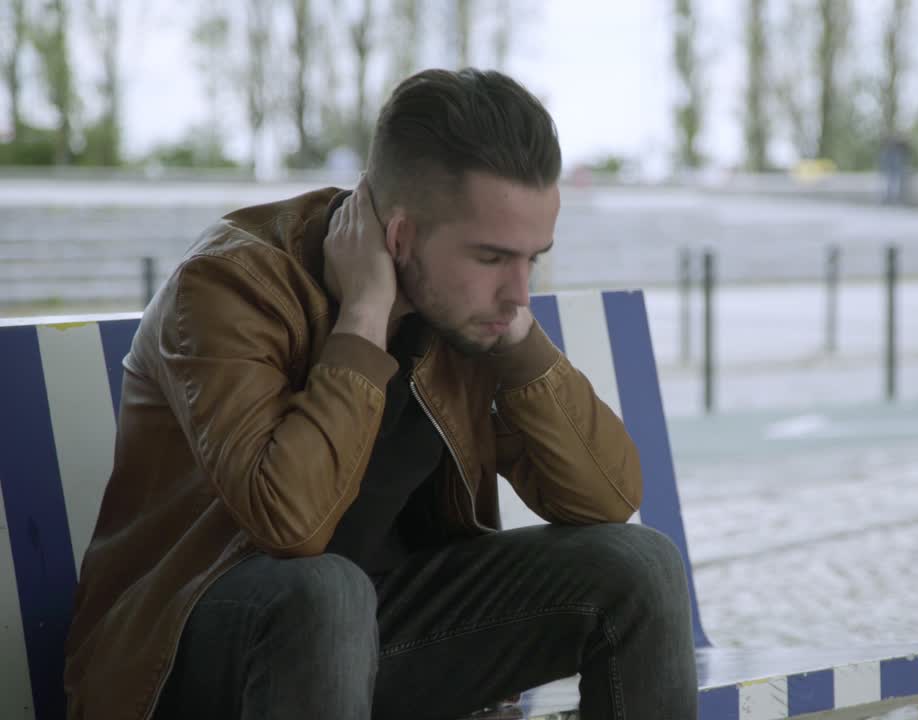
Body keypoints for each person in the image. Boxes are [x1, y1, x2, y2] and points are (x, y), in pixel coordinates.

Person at [64, 68, 698, 720]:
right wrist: (363, 319)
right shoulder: (232, 285)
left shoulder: (473, 317)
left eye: (530, 258)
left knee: (641, 566)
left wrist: (521, 342)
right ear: (399, 238)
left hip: (374, 637)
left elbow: (607, 497)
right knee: (327, 592)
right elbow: (292, 525)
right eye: (490, 258)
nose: (518, 294)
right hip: (188, 653)